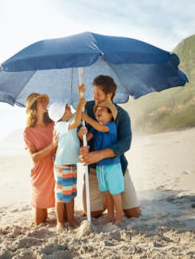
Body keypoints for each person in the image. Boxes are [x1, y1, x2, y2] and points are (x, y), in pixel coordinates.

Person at [78, 75, 141, 219]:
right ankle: (107, 199)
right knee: (92, 214)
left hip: (116, 166)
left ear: (109, 95)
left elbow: (125, 143)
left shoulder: (122, 115)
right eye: (93, 93)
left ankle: (114, 197)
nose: (94, 97)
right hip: (95, 169)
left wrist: (100, 154)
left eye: (98, 94)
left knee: (134, 213)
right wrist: (81, 142)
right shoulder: (87, 108)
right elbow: (81, 137)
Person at [79, 101, 124, 226]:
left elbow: (101, 128)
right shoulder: (95, 127)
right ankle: (110, 215)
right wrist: (82, 133)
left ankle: (119, 217)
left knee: (115, 192)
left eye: (102, 110)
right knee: (107, 192)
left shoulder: (111, 126)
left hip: (112, 165)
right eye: (97, 110)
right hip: (100, 166)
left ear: (110, 115)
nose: (98, 112)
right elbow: (87, 137)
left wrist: (87, 118)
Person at [48, 93, 86, 230]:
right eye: (66, 107)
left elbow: (78, 120)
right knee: (61, 195)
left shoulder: (69, 120)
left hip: (71, 163)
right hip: (62, 164)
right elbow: (75, 122)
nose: (70, 108)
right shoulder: (60, 125)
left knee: (70, 193)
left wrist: (81, 94)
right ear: (60, 114)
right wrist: (80, 103)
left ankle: (70, 219)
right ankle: (60, 221)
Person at [23, 93, 58, 225]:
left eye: (45, 101)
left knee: (64, 216)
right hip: (40, 173)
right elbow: (34, 157)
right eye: (41, 101)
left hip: (56, 170)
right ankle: (35, 207)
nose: (45, 103)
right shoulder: (28, 131)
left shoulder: (53, 125)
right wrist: (52, 146)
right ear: (33, 107)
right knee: (39, 221)